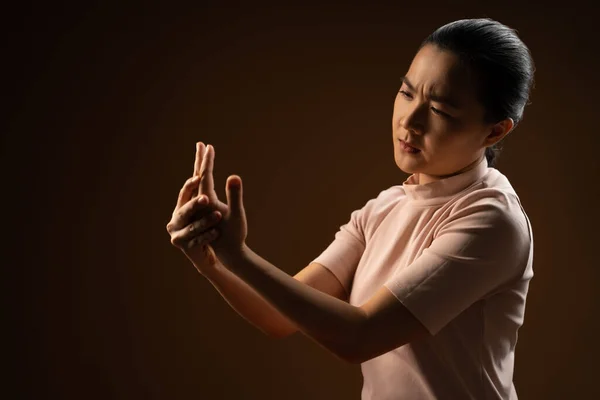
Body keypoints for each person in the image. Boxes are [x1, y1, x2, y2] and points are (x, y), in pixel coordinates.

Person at [166, 17, 535, 400]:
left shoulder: (492, 218)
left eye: (440, 110)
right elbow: (276, 316)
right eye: (407, 93)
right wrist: (209, 257)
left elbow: (360, 336)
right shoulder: (384, 208)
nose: (409, 121)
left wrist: (238, 256)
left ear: (495, 131)